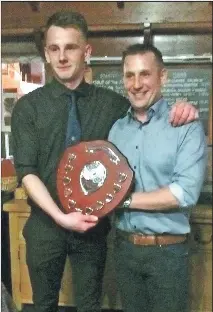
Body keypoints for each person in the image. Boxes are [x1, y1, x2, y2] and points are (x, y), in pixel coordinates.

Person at [11, 11, 199, 312]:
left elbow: (147, 113)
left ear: (87, 52)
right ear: (46, 53)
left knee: (90, 304)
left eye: (70, 47)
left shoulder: (114, 106)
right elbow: (27, 172)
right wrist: (61, 217)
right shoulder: (28, 108)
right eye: (54, 48)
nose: (62, 56)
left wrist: (183, 107)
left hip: (93, 229)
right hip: (45, 226)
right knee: (42, 305)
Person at [108, 43, 207, 312]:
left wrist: (121, 201)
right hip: (125, 250)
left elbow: (183, 193)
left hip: (168, 255)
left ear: (162, 77)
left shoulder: (185, 125)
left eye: (145, 74)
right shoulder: (117, 129)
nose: (136, 84)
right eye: (130, 75)